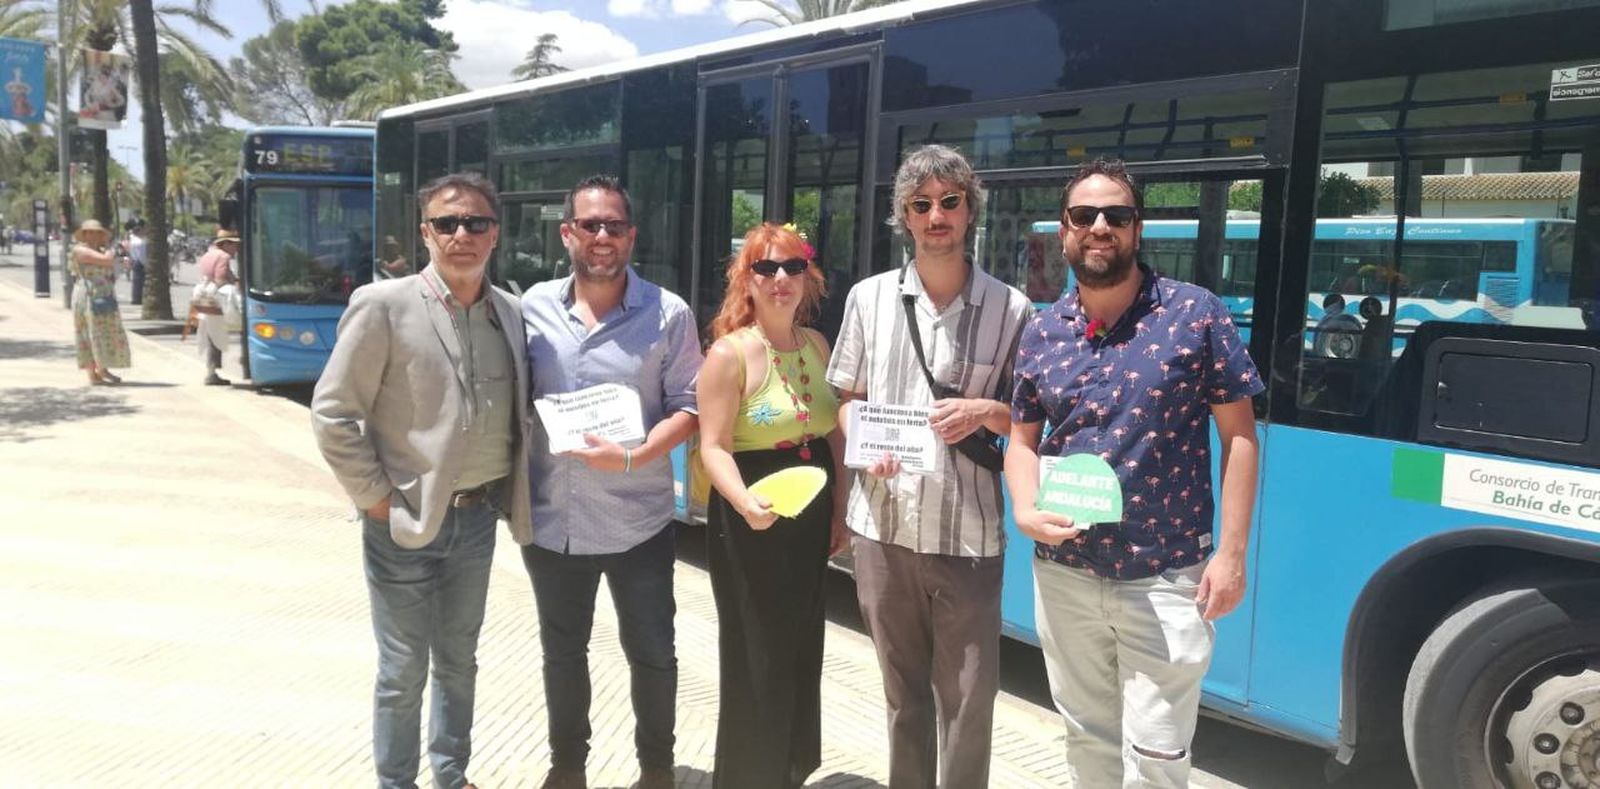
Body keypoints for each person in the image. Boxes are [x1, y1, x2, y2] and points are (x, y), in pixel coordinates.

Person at [1006, 158, 1264, 789]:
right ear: (1064, 231)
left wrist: (1230, 556)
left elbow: (1240, 439)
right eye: (1084, 215)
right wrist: (1023, 506)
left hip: (1166, 574)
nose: (1100, 227)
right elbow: (1021, 438)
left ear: (1137, 229)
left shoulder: (1195, 314)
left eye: (1116, 215)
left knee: (1158, 754)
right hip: (1065, 573)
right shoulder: (1041, 331)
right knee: (1086, 739)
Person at [311, 171, 532, 789]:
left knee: (459, 661)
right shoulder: (384, 305)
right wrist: (376, 499)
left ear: (495, 233)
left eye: (476, 223)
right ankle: (397, 782)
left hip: (477, 519)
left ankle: (451, 773)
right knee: (403, 668)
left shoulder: (509, 312)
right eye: (446, 223)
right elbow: (333, 413)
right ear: (425, 232)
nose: (462, 234)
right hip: (402, 520)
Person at [825, 144, 1034, 789]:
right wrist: (863, 443)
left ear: (970, 211)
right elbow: (845, 404)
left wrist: (985, 412)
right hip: (882, 533)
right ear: (905, 218)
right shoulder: (868, 299)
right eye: (921, 205)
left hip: (967, 540)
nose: (936, 215)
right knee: (901, 700)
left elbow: (1026, 424)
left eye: (950, 201)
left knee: (970, 704)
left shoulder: (1014, 310)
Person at [520, 175, 701, 789]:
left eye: (614, 226)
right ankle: (567, 768)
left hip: (638, 521)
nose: (602, 237)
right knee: (563, 656)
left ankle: (657, 770)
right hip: (553, 521)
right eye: (590, 225)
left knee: (653, 656)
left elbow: (689, 406)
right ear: (567, 232)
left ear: (632, 234)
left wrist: (633, 456)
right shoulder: (532, 308)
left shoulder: (667, 312)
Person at [697, 223, 848, 789]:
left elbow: (832, 434)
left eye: (791, 266)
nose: (780, 278)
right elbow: (712, 446)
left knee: (802, 642)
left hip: (809, 510)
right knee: (756, 651)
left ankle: (788, 770)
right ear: (747, 279)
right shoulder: (729, 354)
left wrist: (841, 509)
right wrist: (744, 503)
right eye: (765, 268)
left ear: (809, 276)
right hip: (751, 514)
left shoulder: (817, 345)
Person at [69, 219, 131, 386]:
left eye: (99, 233)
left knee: (104, 332)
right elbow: (106, 261)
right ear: (85, 234)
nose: (96, 236)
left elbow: (111, 267)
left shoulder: (102, 250)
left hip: (104, 294)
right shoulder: (80, 250)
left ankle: (102, 368)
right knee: (89, 333)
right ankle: (92, 373)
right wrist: (112, 250)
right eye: (92, 232)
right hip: (88, 295)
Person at [193, 229, 241, 385]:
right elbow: (220, 279)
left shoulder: (207, 255)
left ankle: (211, 370)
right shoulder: (223, 256)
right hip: (217, 299)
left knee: (210, 334)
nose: (236, 248)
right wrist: (233, 283)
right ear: (225, 244)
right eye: (234, 244)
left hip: (203, 297)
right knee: (218, 334)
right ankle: (213, 372)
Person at [124, 219, 147, 305]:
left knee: (137, 282)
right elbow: (142, 255)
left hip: (135, 261)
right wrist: (145, 264)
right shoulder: (140, 242)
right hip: (139, 262)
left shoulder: (134, 240)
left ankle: (136, 298)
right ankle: (137, 299)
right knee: (139, 282)